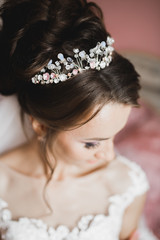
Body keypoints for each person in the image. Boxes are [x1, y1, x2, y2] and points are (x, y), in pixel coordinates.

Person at [0, 0, 155, 239]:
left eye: (115, 136)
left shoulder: (127, 185)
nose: (109, 155)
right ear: (41, 125)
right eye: (92, 143)